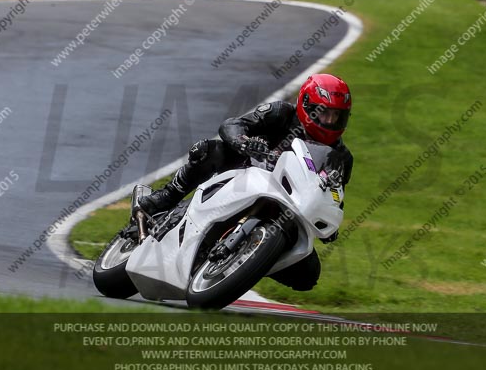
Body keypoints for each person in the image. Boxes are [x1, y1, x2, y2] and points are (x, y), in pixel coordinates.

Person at [140, 73, 353, 291]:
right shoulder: (281, 113)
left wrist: (329, 220)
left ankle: (252, 259)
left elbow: (335, 195)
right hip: (244, 173)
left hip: (288, 207)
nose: (329, 121)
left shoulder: (341, 157)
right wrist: (244, 142)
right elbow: (233, 125)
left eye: (336, 116)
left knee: (308, 276)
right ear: (307, 105)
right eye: (324, 113)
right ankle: (167, 196)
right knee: (208, 151)